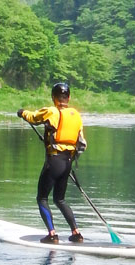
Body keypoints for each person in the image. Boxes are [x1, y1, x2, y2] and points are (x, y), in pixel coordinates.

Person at [18, 82, 87, 243]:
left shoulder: (51, 111)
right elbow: (82, 142)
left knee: (42, 198)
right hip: (68, 161)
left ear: (54, 98)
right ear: (68, 98)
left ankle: (52, 234)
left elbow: (33, 117)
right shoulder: (76, 115)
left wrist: (22, 113)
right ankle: (76, 233)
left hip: (54, 161)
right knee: (60, 199)